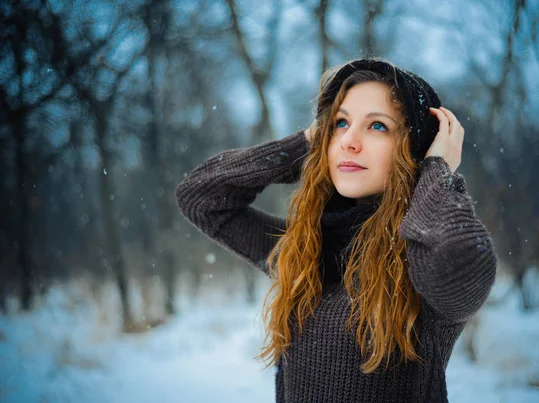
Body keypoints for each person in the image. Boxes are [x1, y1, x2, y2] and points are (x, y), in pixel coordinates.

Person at [175, 57, 497, 403]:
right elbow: (200, 196)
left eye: (378, 126)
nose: (349, 141)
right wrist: (306, 144)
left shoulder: (419, 268)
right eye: (340, 123)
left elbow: (460, 258)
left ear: (415, 147)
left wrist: (436, 170)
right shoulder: (303, 253)